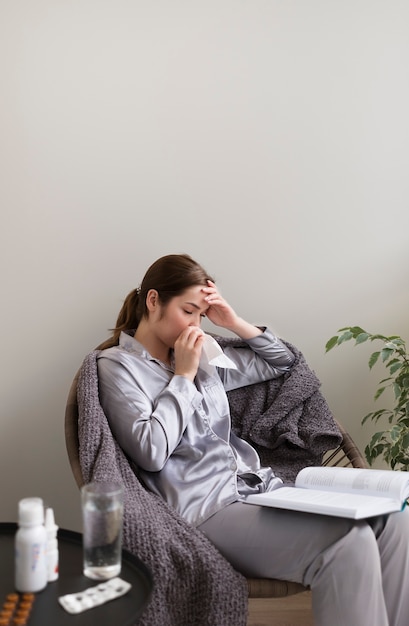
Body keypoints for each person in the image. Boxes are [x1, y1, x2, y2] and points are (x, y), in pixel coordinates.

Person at [97, 253, 409, 626]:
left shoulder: (204, 357)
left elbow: (282, 363)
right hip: (205, 509)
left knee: (396, 519)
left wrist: (232, 322)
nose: (195, 325)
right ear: (153, 301)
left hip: (258, 490)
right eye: (188, 310)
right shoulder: (117, 367)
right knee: (349, 544)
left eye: (201, 314)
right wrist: (182, 376)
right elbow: (150, 452)